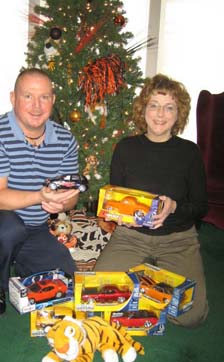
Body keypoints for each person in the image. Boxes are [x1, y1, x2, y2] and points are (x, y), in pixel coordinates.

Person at [0, 68, 80, 318]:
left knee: (66, 278)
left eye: (44, 97)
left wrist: (63, 203)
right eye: (28, 96)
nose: (36, 106)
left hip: (34, 225)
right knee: (8, 230)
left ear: (53, 100)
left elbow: (72, 195)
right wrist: (41, 197)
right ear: (13, 98)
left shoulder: (66, 140)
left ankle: (13, 253)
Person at [94, 73, 209, 329]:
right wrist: (112, 211)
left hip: (178, 240)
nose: (160, 114)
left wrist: (175, 207)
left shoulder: (189, 152)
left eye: (169, 107)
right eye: (154, 105)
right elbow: (117, 200)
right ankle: (147, 278)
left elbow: (201, 207)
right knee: (99, 296)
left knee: (191, 315)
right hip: (130, 237)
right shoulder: (125, 148)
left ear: (178, 114)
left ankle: (144, 277)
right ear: (143, 109)